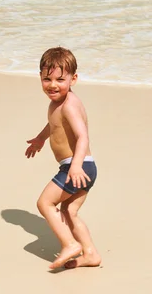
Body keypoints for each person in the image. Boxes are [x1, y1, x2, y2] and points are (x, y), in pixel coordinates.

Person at [25, 47, 102, 270]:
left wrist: (75, 166)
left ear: (73, 79)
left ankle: (69, 244)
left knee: (45, 203)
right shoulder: (57, 104)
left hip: (77, 166)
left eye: (60, 79)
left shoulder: (69, 105)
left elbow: (82, 136)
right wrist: (40, 139)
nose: (53, 85)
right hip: (86, 167)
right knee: (69, 211)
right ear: (40, 77)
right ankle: (91, 254)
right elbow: (54, 125)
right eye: (47, 79)